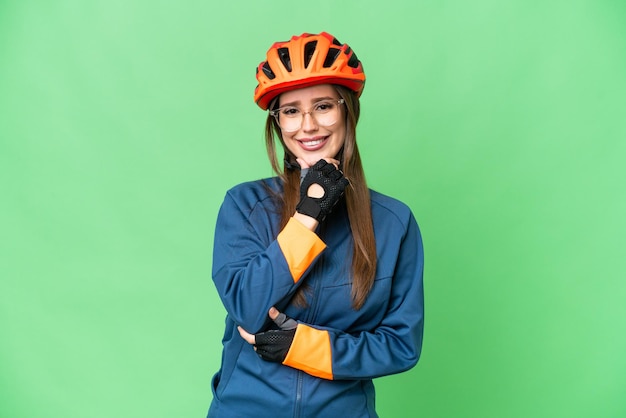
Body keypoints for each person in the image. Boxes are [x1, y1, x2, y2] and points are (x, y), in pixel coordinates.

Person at [207, 31, 424, 418]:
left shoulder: (394, 222)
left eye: (323, 106)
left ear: (347, 112)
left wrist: (304, 347)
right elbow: (248, 308)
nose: (307, 125)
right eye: (290, 110)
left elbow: (401, 344)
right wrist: (309, 214)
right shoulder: (245, 206)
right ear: (278, 123)